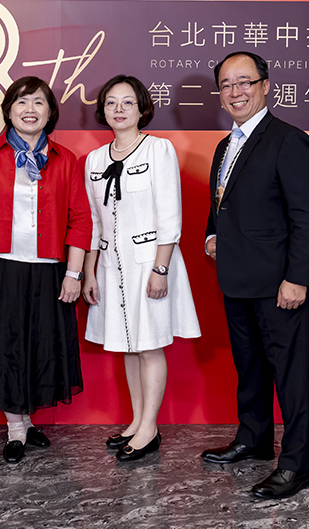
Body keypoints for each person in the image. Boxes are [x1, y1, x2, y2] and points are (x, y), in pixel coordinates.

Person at [0, 76, 92, 463]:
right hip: (0, 268)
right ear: (8, 111)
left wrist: (74, 273)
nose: (30, 110)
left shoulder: (65, 160)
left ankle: (26, 421)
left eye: (39, 102)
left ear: (50, 112)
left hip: (48, 269)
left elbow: (80, 218)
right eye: (22, 102)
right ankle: (15, 428)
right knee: (6, 346)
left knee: (40, 345)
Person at [201, 52, 309, 499]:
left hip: (278, 284)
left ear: (265, 86)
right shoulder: (225, 145)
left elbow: (307, 214)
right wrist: (212, 235)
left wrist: (298, 278)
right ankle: (253, 439)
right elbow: (222, 201)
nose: (235, 92)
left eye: (244, 82)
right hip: (236, 279)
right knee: (249, 367)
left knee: (291, 376)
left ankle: (296, 465)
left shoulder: (288, 140)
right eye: (226, 84)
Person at [81, 75, 201, 461]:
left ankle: (150, 428)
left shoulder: (158, 149)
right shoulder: (95, 160)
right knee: (128, 348)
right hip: (110, 269)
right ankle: (136, 422)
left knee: (148, 346)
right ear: (102, 111)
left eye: (127, 102)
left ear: (142, 108)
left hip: (149, 264)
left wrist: (161, 269)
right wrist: (89, 271)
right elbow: (94, 223)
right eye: (111, 103)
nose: (119, 109)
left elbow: (170, 215)